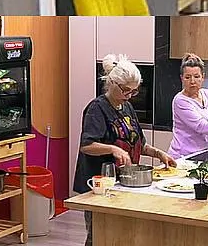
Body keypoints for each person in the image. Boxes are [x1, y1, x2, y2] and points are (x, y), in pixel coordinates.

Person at [75, 55, 176, 246]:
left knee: (122, 234)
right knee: (99, 235)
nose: (129, 95)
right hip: (100, 184)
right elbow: (87, 145)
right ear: (111, 83)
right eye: (125, 90)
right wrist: (113, 149)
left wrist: (159, 154)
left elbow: (138, 144)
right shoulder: (97, 108)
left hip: (124, 181)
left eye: (134, 91)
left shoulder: (127, 107)